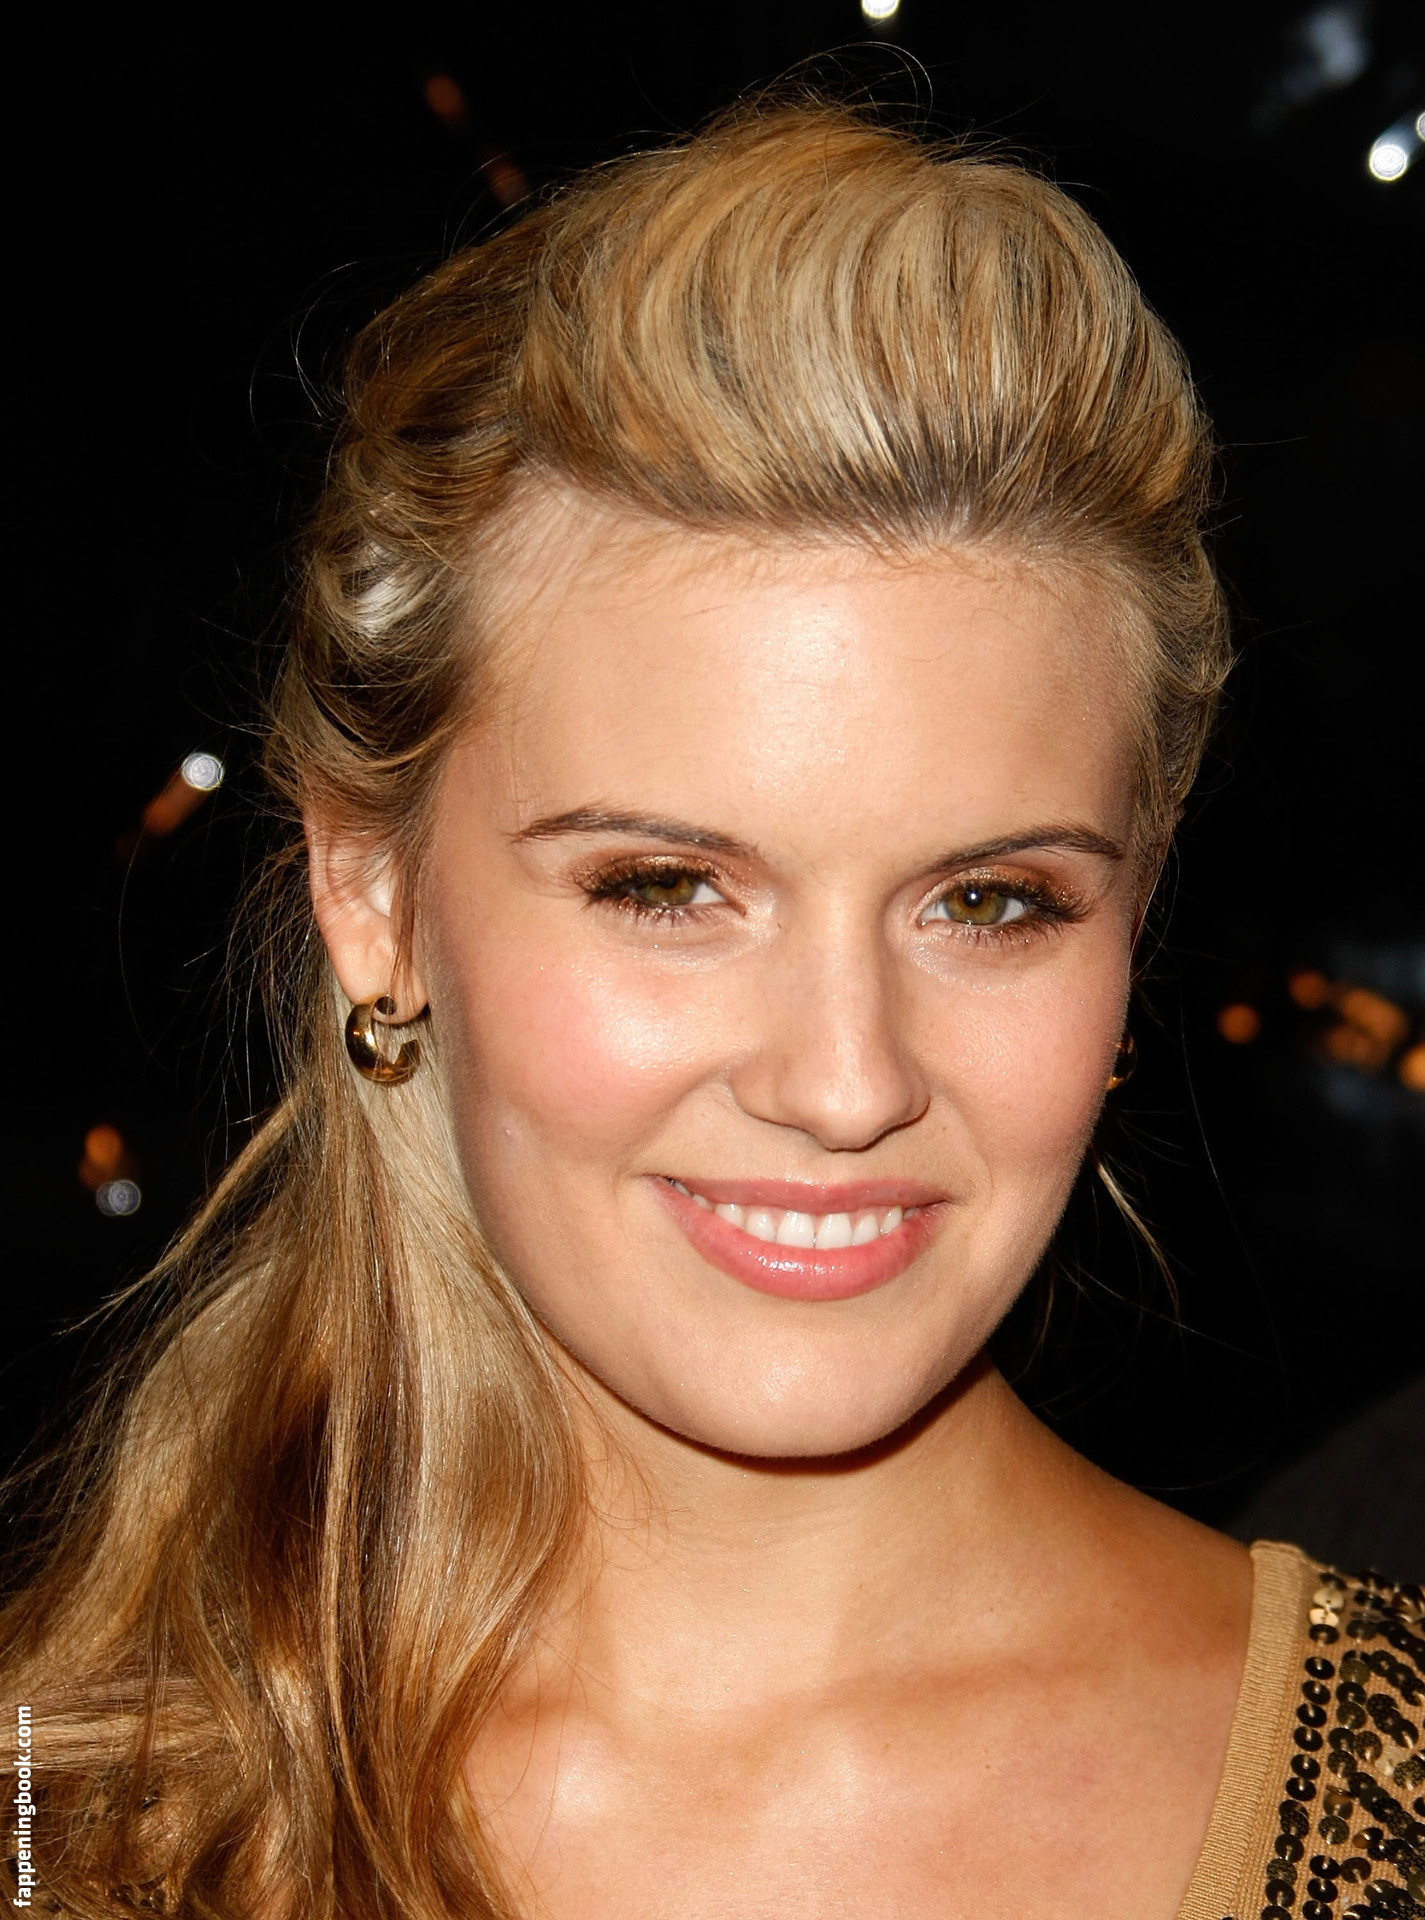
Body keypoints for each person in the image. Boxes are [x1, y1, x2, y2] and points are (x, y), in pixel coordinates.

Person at [3, 100, 1419, 1920]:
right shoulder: (61, 1811)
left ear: (1131, 929)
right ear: (372, 896)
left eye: (989, 903)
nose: (842, 1081)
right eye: (667, 888)